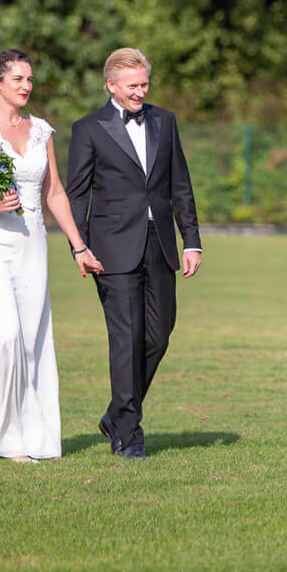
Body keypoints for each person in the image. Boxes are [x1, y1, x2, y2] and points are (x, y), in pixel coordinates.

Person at [0, 49, 99, 462]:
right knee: (5, 334)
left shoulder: (42, 131)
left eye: (29, 80)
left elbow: (54, 193)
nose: (26, 86)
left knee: (29, 343)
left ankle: (16, 439)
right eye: (18, 79)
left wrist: (78, 246)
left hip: (32, 243)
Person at [65, 47, 203, 459]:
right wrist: (79, 247)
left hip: (159, 245)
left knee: (158, 335)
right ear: (111, 86)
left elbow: (181, 185)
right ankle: (128, 433)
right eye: (132, 86)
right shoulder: (88, 129)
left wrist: (191, 239)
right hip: (109, 250)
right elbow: (76, 195)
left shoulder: (165, 121)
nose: (140, 92)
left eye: (144, 84)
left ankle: (115, 414)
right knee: (126, 338)